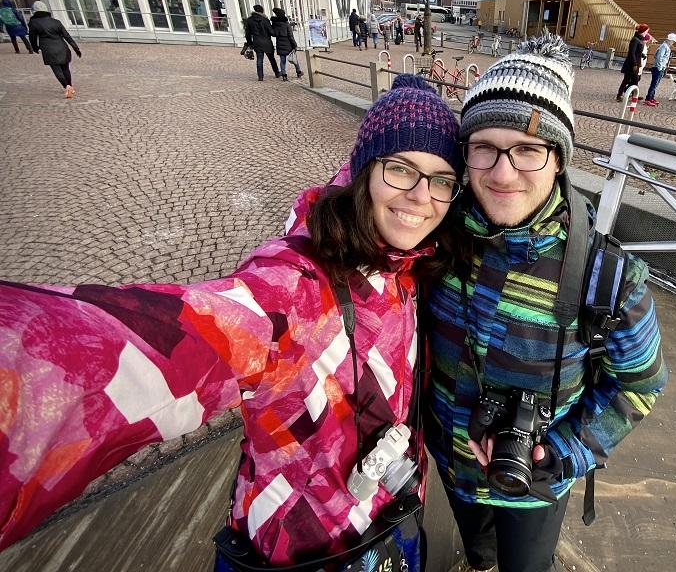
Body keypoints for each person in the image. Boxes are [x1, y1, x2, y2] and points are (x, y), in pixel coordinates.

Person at [0, 75, 464, 570]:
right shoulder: (294, 289)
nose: (421, 196)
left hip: (390, 517)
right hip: (299, 546)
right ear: (364, 170)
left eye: (440, 180)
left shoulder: (412, 263)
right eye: (401, 169)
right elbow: (161, 345)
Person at [426, 34, 668, 572]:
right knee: (479, 553)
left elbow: (641, 383)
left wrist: (567, 452)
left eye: (528, 150)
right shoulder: (433, 239)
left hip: (536, 483)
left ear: (558, 160)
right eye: (483, 147)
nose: (502, 172)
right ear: (464, 155)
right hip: (449, 463)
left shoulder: (609, 278)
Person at [27, 0, 80, 99]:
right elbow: (67, 36)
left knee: (57, 69)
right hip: (62, 47)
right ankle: (70, 86)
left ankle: (67, 86)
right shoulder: (55, 22)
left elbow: (32, 37)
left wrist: (35, 48)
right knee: (65, 68)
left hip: (48, 49)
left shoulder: (34, 23)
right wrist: (75, 48)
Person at [245, 4, 279, 82]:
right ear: (261, 10)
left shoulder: (249, 20)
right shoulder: (265, 19)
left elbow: (247, 34)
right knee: (272, 59)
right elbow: (272, 32)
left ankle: (260, 76)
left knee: (259, 60)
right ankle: (277, 73)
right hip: (267, 42)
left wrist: (250, 43)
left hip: (257, 42)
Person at [616, 23, 648, 101]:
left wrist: (642, 55)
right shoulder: (635, 39)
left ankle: (634, 95)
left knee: (635, 80)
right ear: (643, 31)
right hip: (632, 64)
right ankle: (619, 95)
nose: (647, 32)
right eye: (646, 31)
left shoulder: (639, 39)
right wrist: (634, 64)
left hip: (636, 63)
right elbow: (632, 52)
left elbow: (637, 51)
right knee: (626, 80)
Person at [644, 33, 676, 105]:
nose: (673, 43)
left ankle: (651, 98)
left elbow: (656, 55)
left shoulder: (664, 46)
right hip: (658, 68)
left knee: (655, 84)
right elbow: (659, 57)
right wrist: (660, 67)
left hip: (659, 67)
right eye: (673, 41)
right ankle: (648, 99)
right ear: (670, 40)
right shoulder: (664, 47)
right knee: (654, 84)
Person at [271, 7, 302, 81]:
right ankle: (298, 72)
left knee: (282, 61)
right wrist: (294, 45)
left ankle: (284, 75)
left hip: (279, 43)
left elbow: (273, 34)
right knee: (294, 59)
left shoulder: (274, 24)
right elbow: (291, 36)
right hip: (288, 44)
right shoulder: (286, 24)